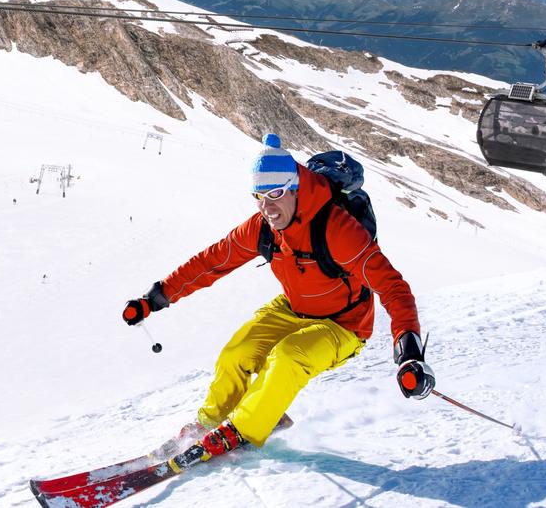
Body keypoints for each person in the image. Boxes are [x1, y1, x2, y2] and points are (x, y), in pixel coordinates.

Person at [121, 133, 433, 465]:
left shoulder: (337, 229)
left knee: (288, 357)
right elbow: (212, 262)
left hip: (344, 324)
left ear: (296, 187)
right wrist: (154, 298)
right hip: (294, 308)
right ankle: (209, 424)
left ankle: (242, 430)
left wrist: (408, 350)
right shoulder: (264, 227)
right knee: (236, 353)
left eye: (276, 194)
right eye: (259, 197)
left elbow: (393, 287)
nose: (268, 208)